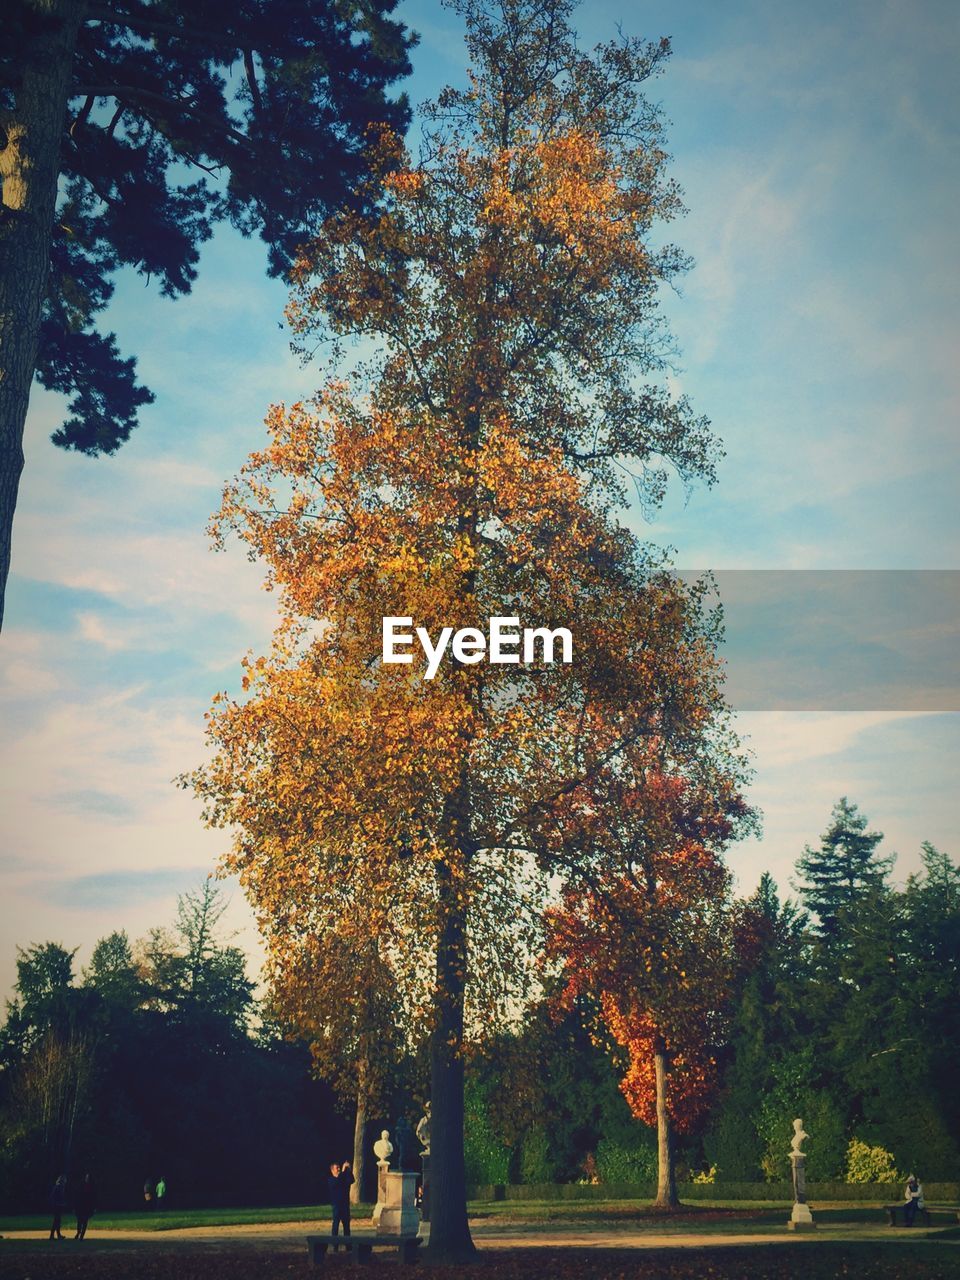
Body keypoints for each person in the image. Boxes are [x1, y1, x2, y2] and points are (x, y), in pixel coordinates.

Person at [74, 1173, 96, 1241]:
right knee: (79, 1221)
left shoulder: (91, 1187)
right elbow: (77, 1196)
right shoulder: (81, 1186)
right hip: (81, 1206)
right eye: (87, 1177)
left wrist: (93, 1207)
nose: (87, 1179)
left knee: (85, 1222)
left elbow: (93, 1198)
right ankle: (78, 1233)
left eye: (88, 1177)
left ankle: (81, 1236)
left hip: (87, 1207)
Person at [49, 1174, 67, 1240]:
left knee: (57, 1221)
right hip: (57, 1206)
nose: (65, 1181)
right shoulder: (59, 1187)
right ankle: (53, 1235)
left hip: (58, 1206)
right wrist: (59, 1204)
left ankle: (57, 1235)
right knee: (56, 1221)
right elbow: (54, 1197)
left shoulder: (59, 1187)